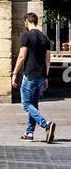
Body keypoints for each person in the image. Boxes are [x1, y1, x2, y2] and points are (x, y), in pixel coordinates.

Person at [11, 12, 56, 143]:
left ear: (27, 21)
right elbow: (48, 59)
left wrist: (14, 74)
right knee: (34, 105)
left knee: (26, 104)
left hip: (30, 75)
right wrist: (46, 77)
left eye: (24, 22)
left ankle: (46, 124)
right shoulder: (45, 38)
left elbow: (22, 56)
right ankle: (29, 133)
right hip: (41, 76)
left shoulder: (27, 36)